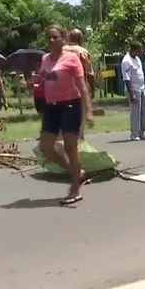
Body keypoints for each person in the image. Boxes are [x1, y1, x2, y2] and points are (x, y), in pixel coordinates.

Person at [33, 24, 94, 206]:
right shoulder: (45, 59)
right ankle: (76, 171)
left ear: (63, 38)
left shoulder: (72, 58)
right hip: (51, 106)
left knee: (70, 147)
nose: (51, 41)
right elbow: (44, 79)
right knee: (46, 147)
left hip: (70, 105)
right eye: (49, 38)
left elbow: (82, 86)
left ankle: (75, 189)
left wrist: (89, 110)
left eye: (55, 37)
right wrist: (34, 83)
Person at [121, 42, 145, 141]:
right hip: (133, 89)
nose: (142, 52)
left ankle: (141, 132)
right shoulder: (126, 61)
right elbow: (126, 78)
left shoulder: (138, 59)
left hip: (141, 88)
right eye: (140, 50)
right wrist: (131, 93)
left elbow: (141, 74)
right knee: (135, 113)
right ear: (134, 50)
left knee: (144, 112)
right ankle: (134, 133)